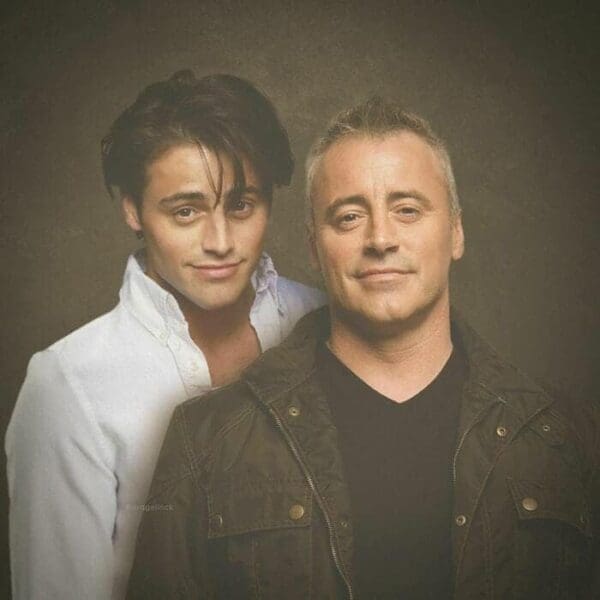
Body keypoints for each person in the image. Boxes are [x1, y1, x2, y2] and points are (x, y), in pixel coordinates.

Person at [127, 98, 599, 599]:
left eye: (407, 210)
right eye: (349, 217)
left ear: (456, 231)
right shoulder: (207, 438)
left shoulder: (569, 436)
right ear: (314, 247)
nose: (381, 239)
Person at [5, 70, 325, 600]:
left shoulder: (326, 325)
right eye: (185, 211)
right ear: (133, 209)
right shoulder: (69, 384)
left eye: (241, 205)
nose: (219, 241)